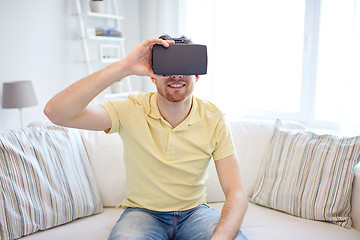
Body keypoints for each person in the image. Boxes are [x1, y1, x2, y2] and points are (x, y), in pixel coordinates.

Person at [44, 34, 248, 240]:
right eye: (167, 67)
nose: (176, 75)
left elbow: (236, 191)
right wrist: (125, 66)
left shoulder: (214, 117)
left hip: (195, 212)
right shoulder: (129, 108)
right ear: (152, 75)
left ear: (196, 75)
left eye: (184, 66)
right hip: (143, 213)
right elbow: (56, 113)